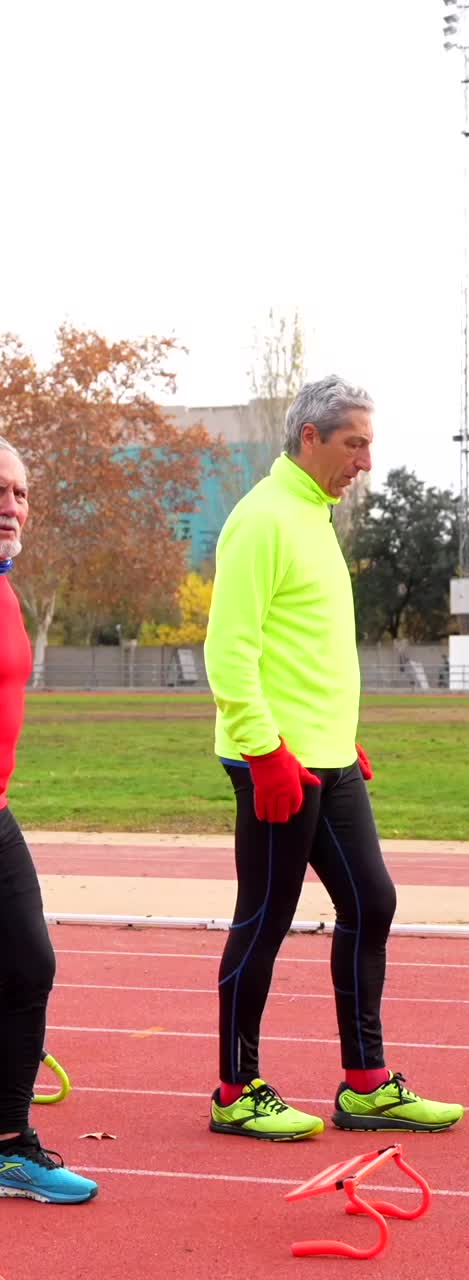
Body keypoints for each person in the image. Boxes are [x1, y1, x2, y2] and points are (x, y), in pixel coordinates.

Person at [203, 376, 464, 1141]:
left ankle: (366, 1083)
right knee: (266, 916)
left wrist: (339, 733)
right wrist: (266, 751)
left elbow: (302, 647)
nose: (367, 462)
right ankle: (234, 1089)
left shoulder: (314, 517)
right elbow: (231, 653)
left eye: (371, 444)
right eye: (355, 444)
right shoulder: (262, 521)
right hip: (274, 760)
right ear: (310, 437)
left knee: (371, 902)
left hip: (326, 754)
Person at [0, 437, 98, 1204]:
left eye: (20, 493)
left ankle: (7, 1148)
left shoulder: (5, 585)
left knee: (29, 966)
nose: (10, 505)